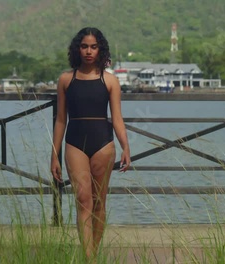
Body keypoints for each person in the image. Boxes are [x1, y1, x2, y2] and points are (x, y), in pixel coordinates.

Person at [50, 27, 131, 260]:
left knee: (98, 201)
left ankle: (93, 254)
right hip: (74, 142)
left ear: (100, 49)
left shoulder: (110, 80)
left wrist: (125, 146)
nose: (88, 51)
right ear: (78, 49)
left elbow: (117, 118)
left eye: (93, 47)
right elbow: (60, 120)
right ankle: (88, 258)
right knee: (83, 200)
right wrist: (54, 154)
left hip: (103, 143)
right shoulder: (66, 79)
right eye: (84, 46)